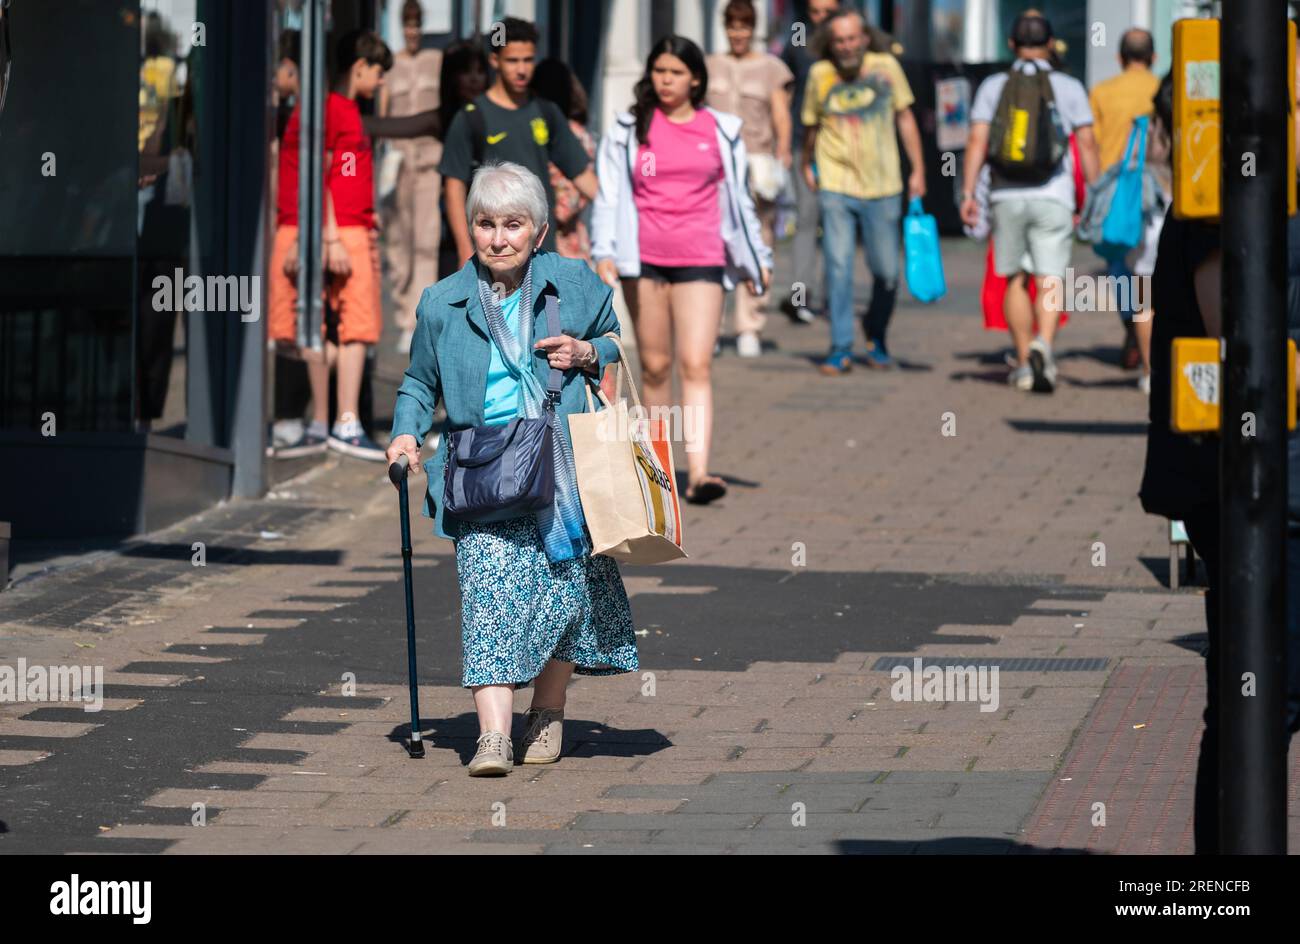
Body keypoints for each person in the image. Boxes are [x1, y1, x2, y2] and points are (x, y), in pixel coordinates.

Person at [386, 162, 639, 776]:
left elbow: (612, 339)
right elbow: (419, 382)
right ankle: (493, 738)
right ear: (470, 228)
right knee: (488, 596)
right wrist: (404, 433)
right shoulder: (441, 301)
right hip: (481, 471)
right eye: (485, 223)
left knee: (563, 596)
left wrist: (585, 351)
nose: (498, 238)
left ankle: (547, 713)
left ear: (540, 232)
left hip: (561, 465)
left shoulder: (572, 283)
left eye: (513, 225)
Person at [590, 35, 772, 505]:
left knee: (696, 363)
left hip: (703, 259)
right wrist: (603, 249)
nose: (665, 80)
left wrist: (758, 260)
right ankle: (659, 475)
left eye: (675, 72)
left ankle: (700, 472)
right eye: (658, 71)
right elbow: (610, 193)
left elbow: (740, 202)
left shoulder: (721, 128)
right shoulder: (631, 126)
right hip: (643, 261)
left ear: (695, 78)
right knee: (654, 367)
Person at [960, 12, 1099, 393]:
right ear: (1052, 44)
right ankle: (1046, 348)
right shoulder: (1069, 86)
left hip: (1006, 193)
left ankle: (1022, 362)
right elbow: (1086, 143)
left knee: (1015, 278)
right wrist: (1096, 191)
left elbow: (976, 141)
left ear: (1011, 44)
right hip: (1053, 194)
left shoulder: (994, 85)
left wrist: (970, 193)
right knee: (1050, 277)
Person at [801, 8, 925, 374]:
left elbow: (905, 116)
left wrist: (918, 170)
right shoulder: (820, 74)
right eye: (839, 40)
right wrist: (807, 164)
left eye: (852, 38)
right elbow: (810, 124)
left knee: (886, 272)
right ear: (830, 43)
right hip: (837, 183)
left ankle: (876, 332)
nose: (846, 46)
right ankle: (840, 347)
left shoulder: (886, 66)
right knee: (838, 267)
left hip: (883, 184)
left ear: (865, 38)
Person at [439, 17, 598, 262]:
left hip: (541, 251)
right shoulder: (472, 117)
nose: (522, 69)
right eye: (513, 61)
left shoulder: (547, 112)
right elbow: (454, 186)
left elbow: (582, 176)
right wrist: (463, 248)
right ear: (495, 61)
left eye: (528, 60)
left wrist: (624, 210)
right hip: (494, 253)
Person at [706, 0, 794, 358]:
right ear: (725, 27)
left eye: (744, 26)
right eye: (733, 25)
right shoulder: (710, 65)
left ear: (753, 28)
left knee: (757, 243)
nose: (738, 33)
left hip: (756, 163)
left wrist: (782, 157)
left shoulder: (772, 68)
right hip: (713, 167)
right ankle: (710, 327)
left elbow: (781, 117)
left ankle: (749, 325)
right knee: (712, 248)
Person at [1090, 28, 1160, 371]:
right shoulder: (1162, 91)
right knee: (1153, 274)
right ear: (1154, 58)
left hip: (1116, 197)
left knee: (1120, 270)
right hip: (1159, 195)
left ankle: (1134, 327)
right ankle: (1149, 336)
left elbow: (1092, 144)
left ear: (1119, 58)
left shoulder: (1102, 93)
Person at [380, 0, 443, 356]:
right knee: (399, 241)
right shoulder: (392, 66)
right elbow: (384, 111)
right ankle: (404, 315)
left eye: (417, 24)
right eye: (408, 25)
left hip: (430, 161)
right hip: (401, 162)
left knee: (426, 238)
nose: (413, 31)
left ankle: (420, 317)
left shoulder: (435, 62)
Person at [779, 0, 838, 326]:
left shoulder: (848, 45)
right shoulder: (798, 43)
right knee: (806, 219)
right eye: (814, 12)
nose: (820, 19)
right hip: (805, 145)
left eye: (827, 12)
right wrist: (784, 143)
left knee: (836, 222)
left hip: (841, 148)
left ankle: (834, 298)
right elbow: (785, 93)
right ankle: (802, 298)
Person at [530, 58, 596, 264]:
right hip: (562, 237)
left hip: (559, 238)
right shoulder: (579, 133)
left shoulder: (567, 133)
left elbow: (573, 196)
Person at [435, 39, 490, 280]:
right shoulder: (447, 117)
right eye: (467, 72)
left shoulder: (494, 114)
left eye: (480, 72)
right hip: (456, 227)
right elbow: (399, 125)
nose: (475, 79)